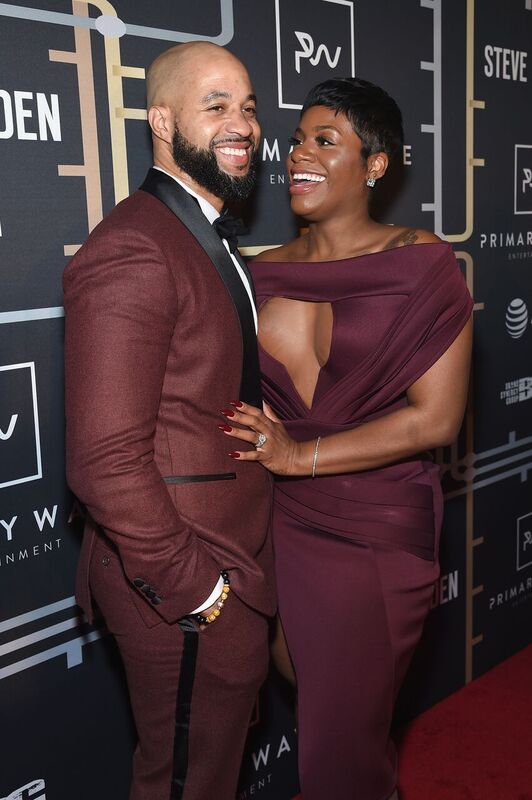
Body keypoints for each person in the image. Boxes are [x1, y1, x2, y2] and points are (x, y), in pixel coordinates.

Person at [219, 78, 473, 800]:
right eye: (298, 138)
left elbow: (436, 420)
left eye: (325, 141)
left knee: (340, 745)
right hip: (278, 524)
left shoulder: (422, 263)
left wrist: (300, 455)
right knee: (333, 715)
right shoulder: (255, 271)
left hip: (379, 526)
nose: (298, 153)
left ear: (376, 164)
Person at [63, 42, 275, 800]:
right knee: (184, 783)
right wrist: (198, 592)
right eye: (215, 105)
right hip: (181, 579)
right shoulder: (134, 247)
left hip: (231, 557)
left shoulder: (203, 235)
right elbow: (102, 462)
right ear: (160, 120)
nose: (241, 123)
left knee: (208, 775)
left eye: (247, 106)